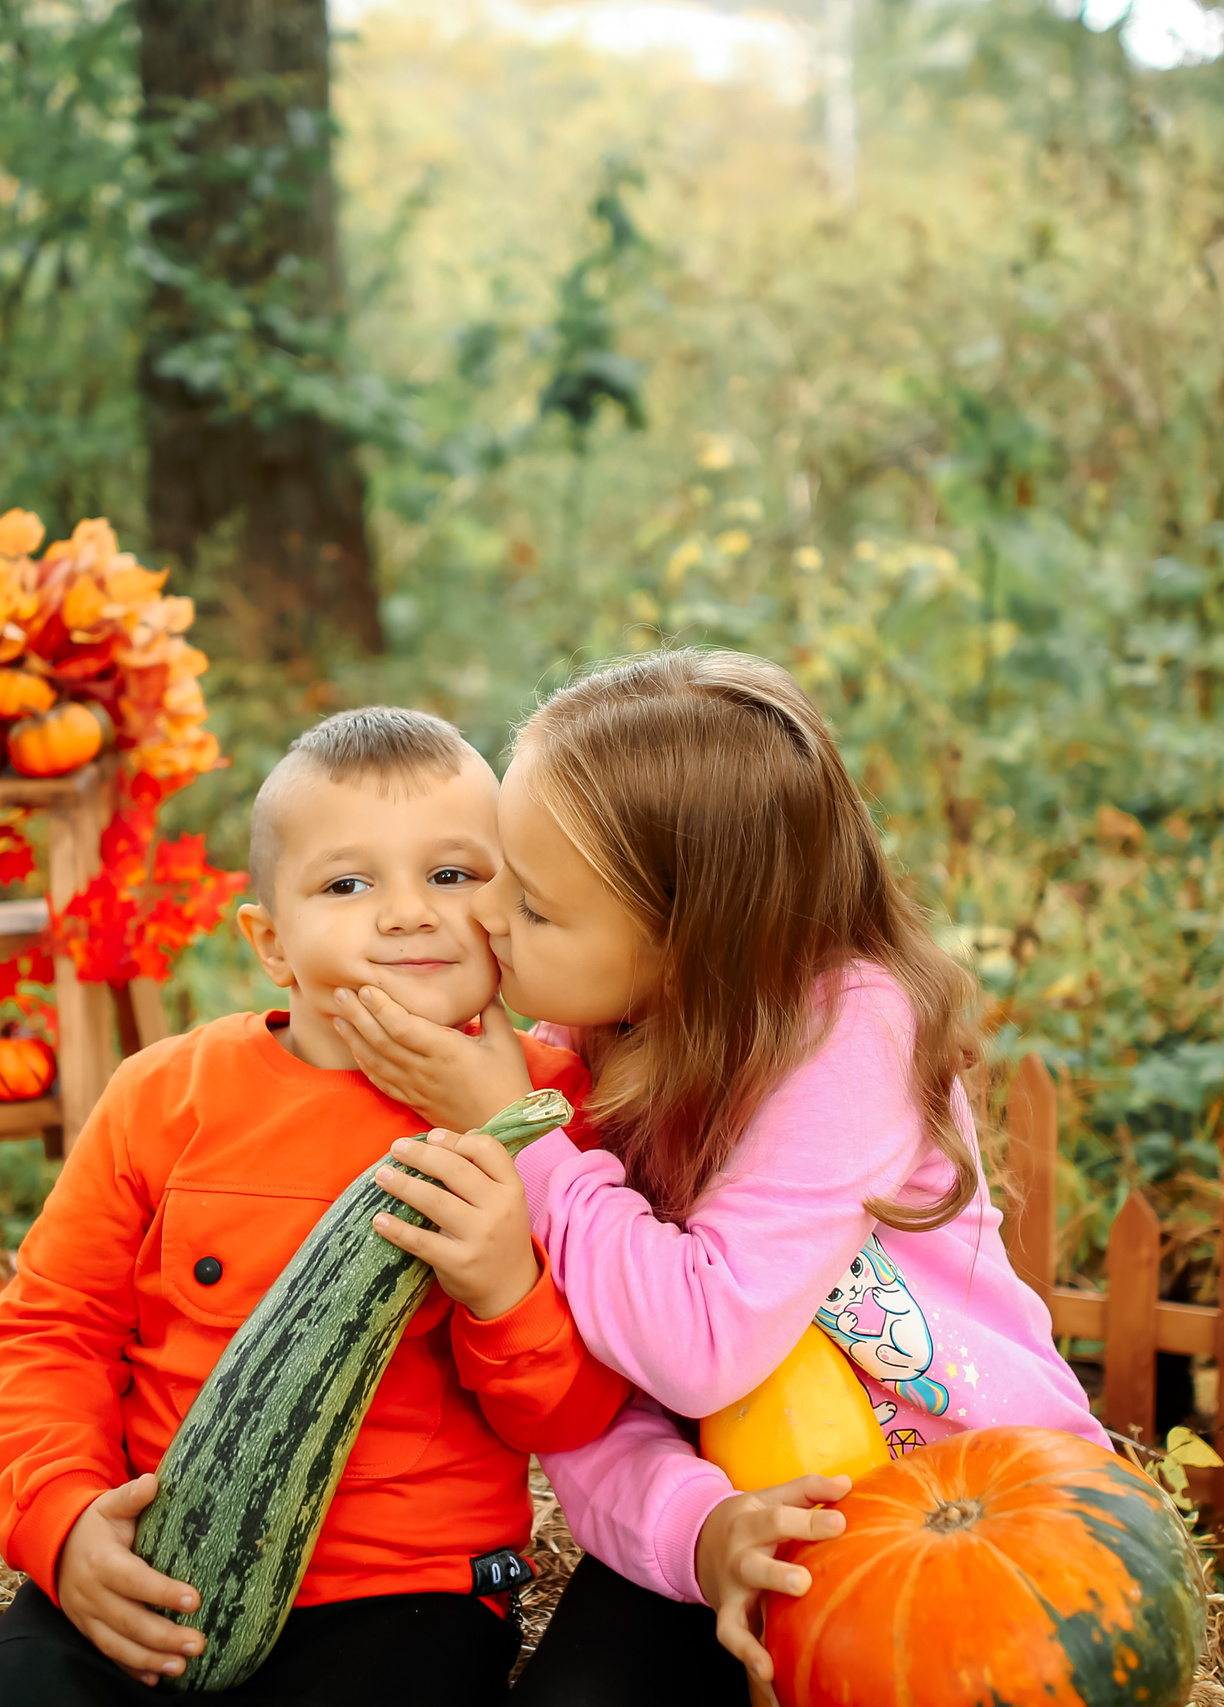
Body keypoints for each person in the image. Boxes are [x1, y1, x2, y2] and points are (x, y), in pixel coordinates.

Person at [334, 650, 1107, 1704]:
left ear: (690, 950)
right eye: (498, 873)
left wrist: (518, 1138)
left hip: (975, 1507)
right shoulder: (579, 1045)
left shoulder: (853, 1029)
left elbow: (698, 1346)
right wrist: (699, 1536)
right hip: (729, 1514)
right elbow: (586, 1403)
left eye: (540, 909)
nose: (488, 919)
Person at [0, 707, 630, 1707]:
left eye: (452, 874)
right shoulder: (163, 1097)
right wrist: (61, 1520)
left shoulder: (548, 1114)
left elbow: (578, 1415)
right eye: (348, 884)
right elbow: (50, 1334)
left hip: (405, 1592)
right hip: (158, 1557)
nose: (407, 913)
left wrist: (503, 1287)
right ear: (270, 942)